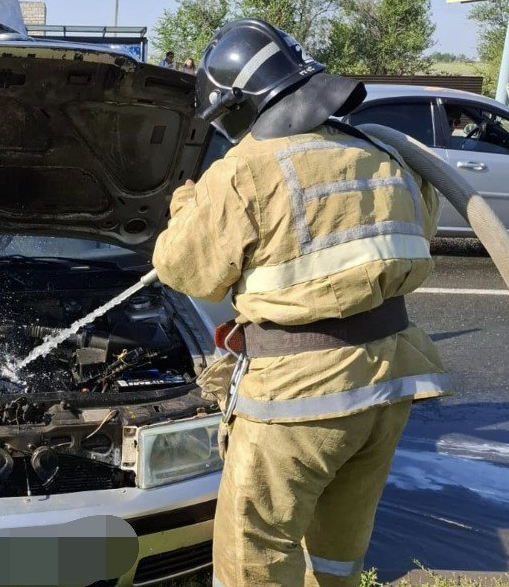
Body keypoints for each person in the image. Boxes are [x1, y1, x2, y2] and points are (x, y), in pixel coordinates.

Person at [151, 18, 451, 587]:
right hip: (388, 384)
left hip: (299, 400)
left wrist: (187, 206)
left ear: (241, 106)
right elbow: (411, 234)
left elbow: (185, 269)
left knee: (253, 556)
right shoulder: (386, 155)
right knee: (339, 548)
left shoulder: (244, 172)